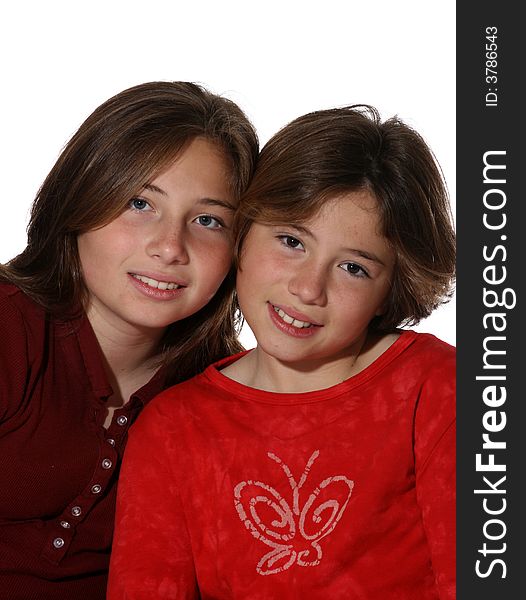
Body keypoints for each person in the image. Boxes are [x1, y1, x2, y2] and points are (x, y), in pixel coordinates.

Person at [108, 105, 456, 599]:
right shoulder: (171, 429)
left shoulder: (437, 388)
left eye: (354, 268)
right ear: (241, 237)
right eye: (291, 241)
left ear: (391, 289)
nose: (308, 289)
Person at [0, 81, 258, 599]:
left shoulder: (228, 389)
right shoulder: (11, 326)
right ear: (80, 199)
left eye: (207, 220)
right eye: (140, 203)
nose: (169, 247)